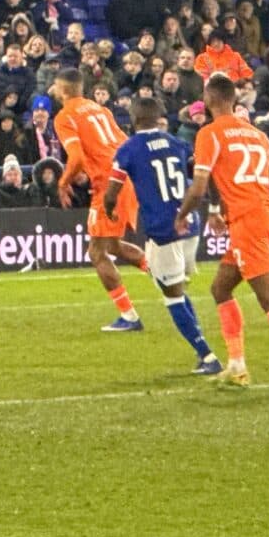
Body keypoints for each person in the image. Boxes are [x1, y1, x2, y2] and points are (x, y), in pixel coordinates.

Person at [176, 73, 269, 392]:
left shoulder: (209, 134)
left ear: (210, 99)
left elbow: (199, 187)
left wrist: (182, 216)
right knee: (220, 288)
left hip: (247, 221)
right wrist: (259, 214)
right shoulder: (257, 134)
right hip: (263, 214)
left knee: (268, 298)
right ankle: (237, 366)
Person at [106, 94, 220, 374]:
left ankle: (207, 356)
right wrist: (215, 208)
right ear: (159, 118)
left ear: (133, 119)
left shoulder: (129, 149)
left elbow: (111, 192)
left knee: (171, 295)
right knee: (174, 287)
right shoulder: (176, 142)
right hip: (191, 224)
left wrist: (110, 211)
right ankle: (202, 348)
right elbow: (207, 174)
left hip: (163, 229)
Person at [50, 68, 149, 333]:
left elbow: (76, 158)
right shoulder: (100, 109)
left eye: (56, 86)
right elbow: (124, 142)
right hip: (125, 176)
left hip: (107, 183)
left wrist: (63, 182)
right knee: (112, 245)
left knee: (96, 251)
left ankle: (129, 315)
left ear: (63, 89)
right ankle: (164, 273)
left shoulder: (65, 116)